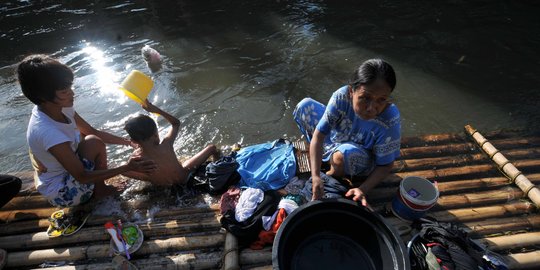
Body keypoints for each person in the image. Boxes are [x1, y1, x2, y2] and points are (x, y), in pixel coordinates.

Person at [17, 54, 157, 208]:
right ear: (43, 97)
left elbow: (91, 131)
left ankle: (98, 188)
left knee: (88, 136)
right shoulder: (48, 131)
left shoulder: (57, 107)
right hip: (63, 193)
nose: (72, 93)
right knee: (93, 143)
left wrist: (127, 142)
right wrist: (128, 167)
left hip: (62, 172)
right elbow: (82, 177)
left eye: (70, 87)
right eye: (64, 91)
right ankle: (100, 191)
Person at [293, 58, 400, 207]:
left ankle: (334, 175)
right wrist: (315, 176)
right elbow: (319, 135)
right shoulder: (341, 96)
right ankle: (325, 162)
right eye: (365, 98)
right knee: (304, 106)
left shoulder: (390, 118)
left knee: (342, 155)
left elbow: (386, 165)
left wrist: (362, 189)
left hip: (361, 156)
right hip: (336, 140)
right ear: (351, 91)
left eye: (381, 100)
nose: (371, 108)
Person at [123, 99, 218, 186]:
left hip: (167, 188)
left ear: (134, 141)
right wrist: (156, 110)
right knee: (212, 148)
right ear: (155, 135)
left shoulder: (137, 158)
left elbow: (124, 171)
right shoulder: (166, 144)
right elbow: (176, 123)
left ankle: (152, 179)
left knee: (133, 171)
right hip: (184, 176)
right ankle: (217, 167)